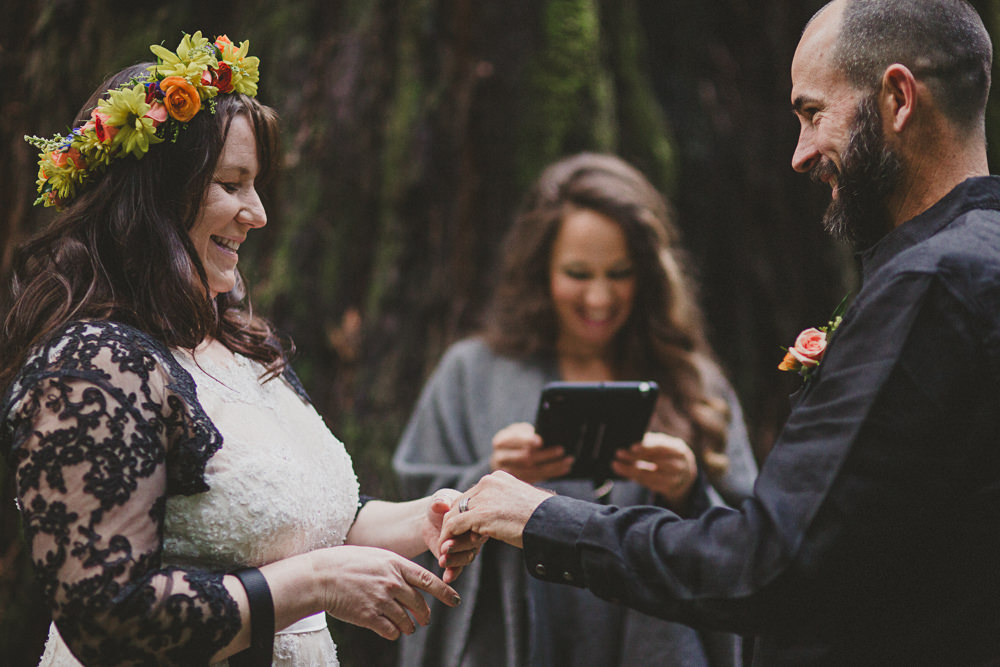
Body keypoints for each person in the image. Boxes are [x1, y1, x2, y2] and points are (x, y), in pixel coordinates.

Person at [439, 0, 1000, 664]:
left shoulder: (931, 285)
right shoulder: (973, 261)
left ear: (898, 98)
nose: (799, 154)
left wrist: (544, 520)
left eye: (813, 113)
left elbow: (771, 560)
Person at [1, 32, 482, 667]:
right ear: (151, 197)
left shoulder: (243, 346)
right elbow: (106, 619)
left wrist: (428, 518)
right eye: (231, 184)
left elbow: (302, 524)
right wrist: (312, 585)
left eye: (254, 185)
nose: (256, 213)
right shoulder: (92, 366)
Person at [393, 153, 758, 666]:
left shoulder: (693, 382)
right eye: (578, 273)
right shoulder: (470, 373)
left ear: (650, 274)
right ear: (541, 269)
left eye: (620, 273)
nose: (600, 297)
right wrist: (488, 483)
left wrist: (690, 489)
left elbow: (754, 542)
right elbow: (405, 521)